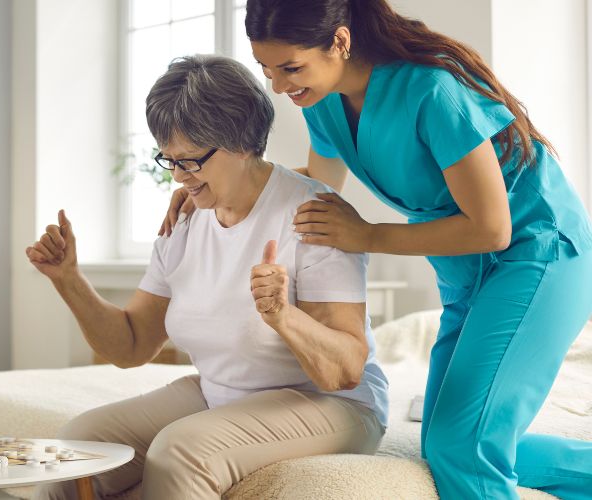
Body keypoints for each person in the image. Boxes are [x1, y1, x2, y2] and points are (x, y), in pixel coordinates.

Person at [159, 1, 592, 498]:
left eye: (290, 67)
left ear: (340, 41)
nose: (278, 86)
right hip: (464, 274)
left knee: (464, 446)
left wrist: (367, 235)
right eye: (267, 70)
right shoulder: (321, 103)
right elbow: (314, 184)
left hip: (538, 257)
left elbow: (493, 228)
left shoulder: (433, 91)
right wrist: (209, 181)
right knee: (447, 443)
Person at [27, 54, 388, 500]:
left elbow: (345, 372)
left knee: (181, 452)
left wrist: (282, 316)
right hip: (223, 394)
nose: (178, 177)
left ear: (240, 143)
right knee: (76, 449)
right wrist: (68, 279)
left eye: (191, 160)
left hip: (332, 405)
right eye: (169, 160)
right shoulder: (185, 219)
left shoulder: (314, 215)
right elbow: (132, 346)